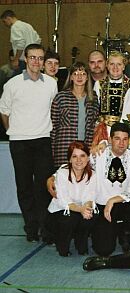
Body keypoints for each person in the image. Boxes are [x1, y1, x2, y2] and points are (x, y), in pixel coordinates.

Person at [0, 43, 58, 242]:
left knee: (43, 186)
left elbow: (52, 109)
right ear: (25, 59)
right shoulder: (12, 84)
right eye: (32, 57)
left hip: (43, 140)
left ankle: (46, 228)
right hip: (20, 142)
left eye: (40, 58)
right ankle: (31, 228)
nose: (36, 61)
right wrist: (12, 131)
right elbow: (4, 112)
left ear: (43, 62)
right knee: (24, 187)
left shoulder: (51, 83)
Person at [90, 122, 130, 256]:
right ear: (110, 140)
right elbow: (78, 164)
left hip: (123, 204)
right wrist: (55, 176)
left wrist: (114, 200)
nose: (121, 143)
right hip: (103, 206)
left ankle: (125, 234)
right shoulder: (99, 153)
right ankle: (111, 229)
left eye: (125, 139)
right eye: (117, 139)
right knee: (103, 250)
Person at [46, 141, 97, 257]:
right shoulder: (62, 173)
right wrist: (81, 210)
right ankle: (62, 244)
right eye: (74, 156)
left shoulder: (93, 175)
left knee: (92, 215)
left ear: (88, 158)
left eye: (82, 156)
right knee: (70, 218)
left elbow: (90, 196)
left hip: (80, 209)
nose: (79, 160)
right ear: (69, 159)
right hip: (59, 213)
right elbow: (64, 201)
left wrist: (86, 209)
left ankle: (81, 242)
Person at [51, 62, 99, 169]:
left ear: (87, 77)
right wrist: (51, 151)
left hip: (86, 148)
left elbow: (95, 125)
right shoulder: (60, 97)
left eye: (83, 74)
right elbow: (53, 127)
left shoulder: (93, 98)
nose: (79, 77)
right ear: (71, 77)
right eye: (76, 73)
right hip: (64, 147)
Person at [93, 51, 130, 143]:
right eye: (112, 64)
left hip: (123, 129)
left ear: (123, 66)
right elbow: (94, 108)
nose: (115, 67)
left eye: (119, 64)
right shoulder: (99, 84)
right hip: (103, 130)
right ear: (107, 66)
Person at [1, 10, 41, 75]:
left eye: (4, 21)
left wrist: (16, 59)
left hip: (22, 60)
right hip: (33, 59)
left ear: (8, 18)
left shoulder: (15, 27)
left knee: (18, 81)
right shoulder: (27, 25)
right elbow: (38, 40)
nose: (5, 24)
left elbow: (20, 44)